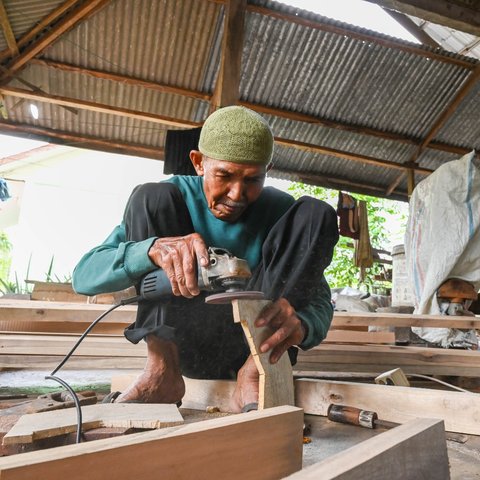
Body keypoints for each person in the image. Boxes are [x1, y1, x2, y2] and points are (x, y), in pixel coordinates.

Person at [73, 106, 339, 412]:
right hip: (183, 345)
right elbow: (84, 277)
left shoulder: (282, 213)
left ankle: (254, 374)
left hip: (258, 347)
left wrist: (302, 325)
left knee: (316, 214)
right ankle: (162, 372)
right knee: (150, 196)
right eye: (224, 175)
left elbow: (319, 300)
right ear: (199, 163)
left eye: (253, 179)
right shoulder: (171, 196)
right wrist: (150, 250)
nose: (237, 194)